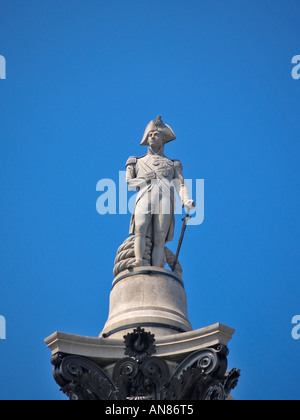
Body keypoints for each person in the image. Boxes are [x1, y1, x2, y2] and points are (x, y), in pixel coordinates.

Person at [126, 115, 195, 268]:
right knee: (140, 228)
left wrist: (186, 200)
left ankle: (157, 268)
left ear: (163, 138)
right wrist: (145, 179)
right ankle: (138, 260)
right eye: (149, 135)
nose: (152, 136)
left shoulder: (173, 163)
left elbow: (180, 185)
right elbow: (130, 184)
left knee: (160, 236)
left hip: (165, 198)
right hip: (145, 195)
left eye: (155, 134)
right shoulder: (135, 161)